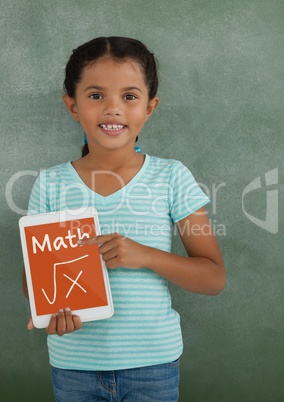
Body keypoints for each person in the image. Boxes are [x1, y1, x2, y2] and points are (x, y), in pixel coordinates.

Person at [22, 36, 225, 402]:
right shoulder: (51, 183)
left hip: (154, 365)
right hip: (74, 365)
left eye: (129, 96)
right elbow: (33, 280)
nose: (113, 109)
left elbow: (213, 278)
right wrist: (49, 307)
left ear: (149, 107)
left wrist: (144, 255)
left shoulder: (172, 177)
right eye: (96, 95)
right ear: (72, 106)